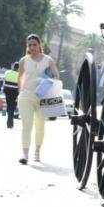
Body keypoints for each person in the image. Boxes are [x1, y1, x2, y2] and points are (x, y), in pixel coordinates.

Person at [17, 34, 59, 164]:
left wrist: (50, 83)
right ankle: (25, 155)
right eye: (29, 45)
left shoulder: (48, 60)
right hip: (26, 96)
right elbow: (20, 78)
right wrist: (20, 92)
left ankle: (37, 152)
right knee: (26, 125)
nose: (32, 47)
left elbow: (56, 75)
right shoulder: (24, 60)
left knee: (40, 125)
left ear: (40, 45)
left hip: (42, 97)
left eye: (34, 44)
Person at [3, 62, 20, 129]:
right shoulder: (19, 74)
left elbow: (4, 81)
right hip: (15, 92)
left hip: (7, 91)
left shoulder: (7, 72)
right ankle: (10, 123)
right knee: (12, 107)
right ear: (18, 68)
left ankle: (10, 122)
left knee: (9, 106)